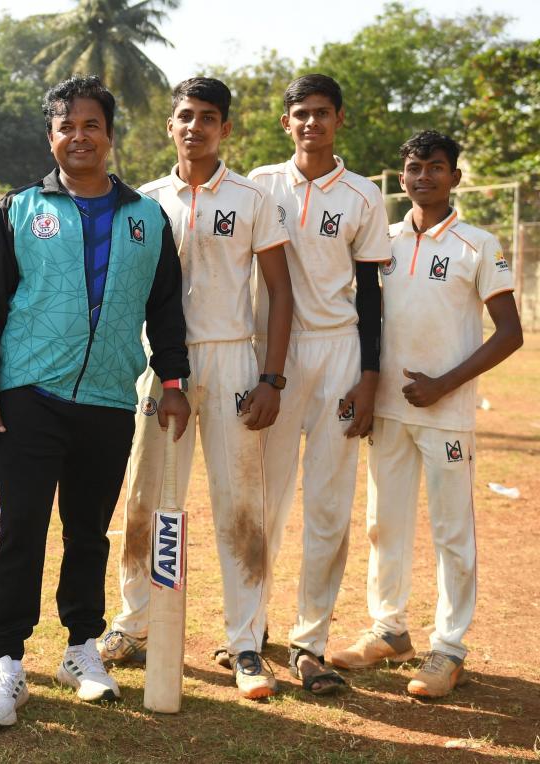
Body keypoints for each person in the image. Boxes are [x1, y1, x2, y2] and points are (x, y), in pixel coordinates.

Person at [0, 75, 191, 728]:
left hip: (111, 398)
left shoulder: (146, 218)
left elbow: (167, 308)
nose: (79, 136)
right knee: (23, 528)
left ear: (110, 136)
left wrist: (172, 382)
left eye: (92, 125)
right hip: (29, 393)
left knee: (88, 529)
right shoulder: (18, 210)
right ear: (51, 137)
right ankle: (7, 660)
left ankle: (82, 647)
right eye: (67, 126)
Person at [98, 77, 293, 700]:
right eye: (185, 116)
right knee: (146, 498)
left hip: (234, 360)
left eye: (209, 118)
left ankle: (245, 642)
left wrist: (270, 377)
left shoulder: (253, 197)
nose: (195, 127)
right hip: (162, 368)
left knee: (241, 507)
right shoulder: (147, 200)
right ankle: (133, 627)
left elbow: (280, 293)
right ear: (169, 125)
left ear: (225, 128)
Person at [331, 130, 522, 698]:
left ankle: (448, 647)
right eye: (414, 167)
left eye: (435, 167)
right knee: (383, 525)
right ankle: (389, 630)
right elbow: (363, 320)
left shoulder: (478, 244)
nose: (423, 177)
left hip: (446, 412)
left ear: (454, 177)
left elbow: (510, 334)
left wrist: (445, 384)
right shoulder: (382, 240)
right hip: (387, 408)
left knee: (451, 531)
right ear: (403, 175)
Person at [248, 74, 388, 694]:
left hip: (338, 353)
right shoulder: (260, 184)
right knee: (263, 501)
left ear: (339, 120)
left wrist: (369, 378)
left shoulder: (362, 195)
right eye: (301, 113)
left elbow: (373, 295)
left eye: (322, 113)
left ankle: (310, 644)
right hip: (272, 357)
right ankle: (248, 632)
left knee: (328, 506)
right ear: (286, 123)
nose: (311, 123)